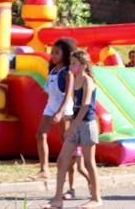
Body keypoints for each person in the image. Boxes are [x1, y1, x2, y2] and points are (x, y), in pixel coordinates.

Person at [45, 49, 101, 208]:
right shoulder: (74, 78)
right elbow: (73, 104)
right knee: (62, 160)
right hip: (76, 124)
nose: (72, 66)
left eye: (75, 63)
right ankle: (57, 199)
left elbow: (85, 106)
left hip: (87, 125)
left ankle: (96, 198)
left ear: (83, 65)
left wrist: (72, 126)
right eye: (71, 63)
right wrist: (64, 116)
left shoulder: (87, 81)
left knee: (89, 163)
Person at [33, 37, 81, 190]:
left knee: (66, 141)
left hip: (64, 108)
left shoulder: (68, 73)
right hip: (51, 106)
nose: (53, 56)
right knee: (40, 134)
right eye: (52, 53)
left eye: (57, 53)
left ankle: (70, 173)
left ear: (65, 55)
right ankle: (44, 169)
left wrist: (60, 112)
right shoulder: (53, 70)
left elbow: (68, 95)